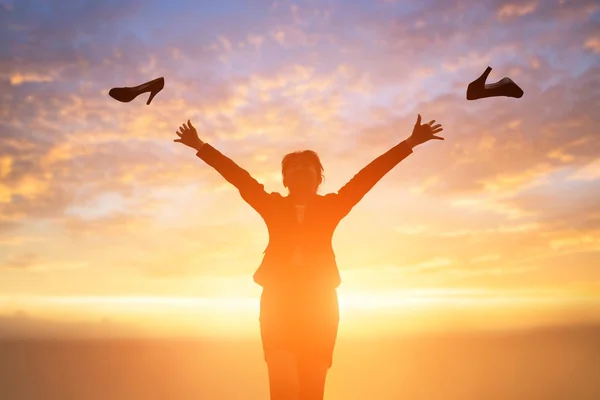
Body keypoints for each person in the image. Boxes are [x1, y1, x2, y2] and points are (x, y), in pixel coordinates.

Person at [174, 115, 444, 399]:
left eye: (308, 167)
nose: (301, 170)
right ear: (286, 179)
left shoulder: (333, 206)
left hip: (320, 304)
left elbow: (368, 176)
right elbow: (238, 176)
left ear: (319, 178)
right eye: (294, 167)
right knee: (284, 387)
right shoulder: (271, 205)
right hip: (279, 302)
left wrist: (410, 143)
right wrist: (200, 146)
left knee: (311, 391)